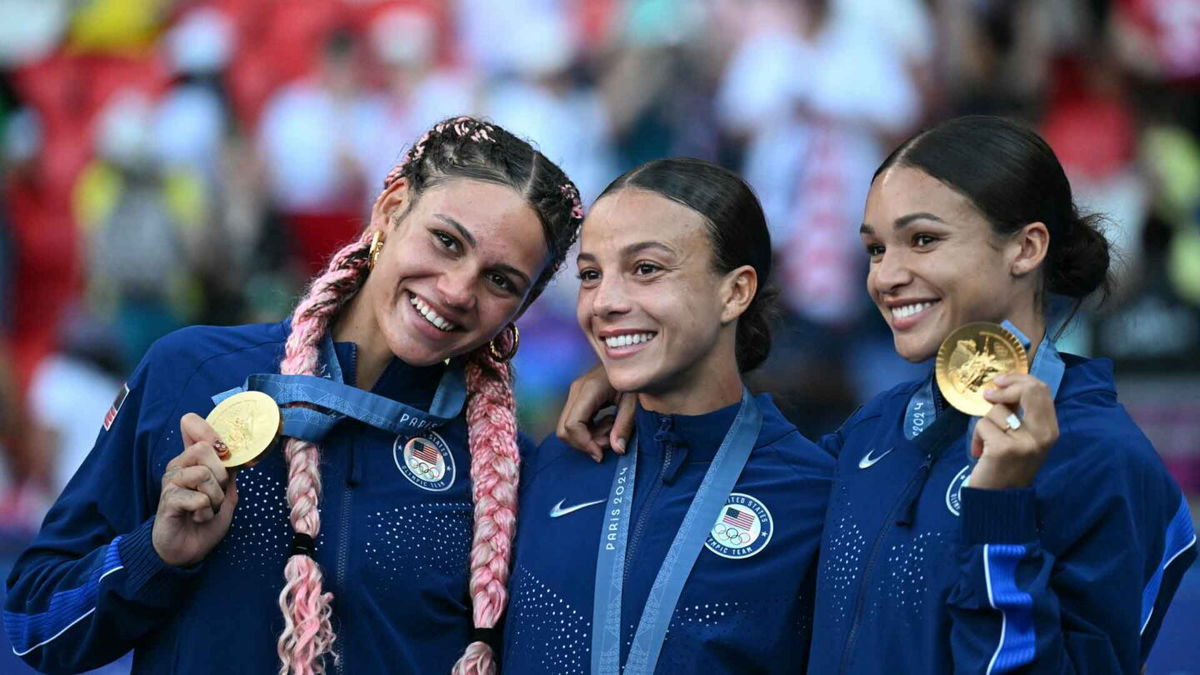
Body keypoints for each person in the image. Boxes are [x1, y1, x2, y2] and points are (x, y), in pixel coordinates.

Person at [558, 116, 1196, 673]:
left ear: (1025, 248)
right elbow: (747, 472)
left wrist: (1001, 511)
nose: (887, 276)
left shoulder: (1100, 455)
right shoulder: (876, 430)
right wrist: (637, 377)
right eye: (874, 249)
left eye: (923, 240)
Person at [4, 116, 584, 675]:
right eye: (446, 242)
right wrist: (156, 553)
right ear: (391, 209)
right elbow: (32, 625)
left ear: (524, 307)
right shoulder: (192, 373)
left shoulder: (505, 479)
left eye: (501, 280)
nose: (458, 290)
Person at [502, 158, 834, 674]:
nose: (605, 301)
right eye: (591, 274)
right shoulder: (552, 469)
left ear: (736, 291)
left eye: (646, 269)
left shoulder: (813, 496)